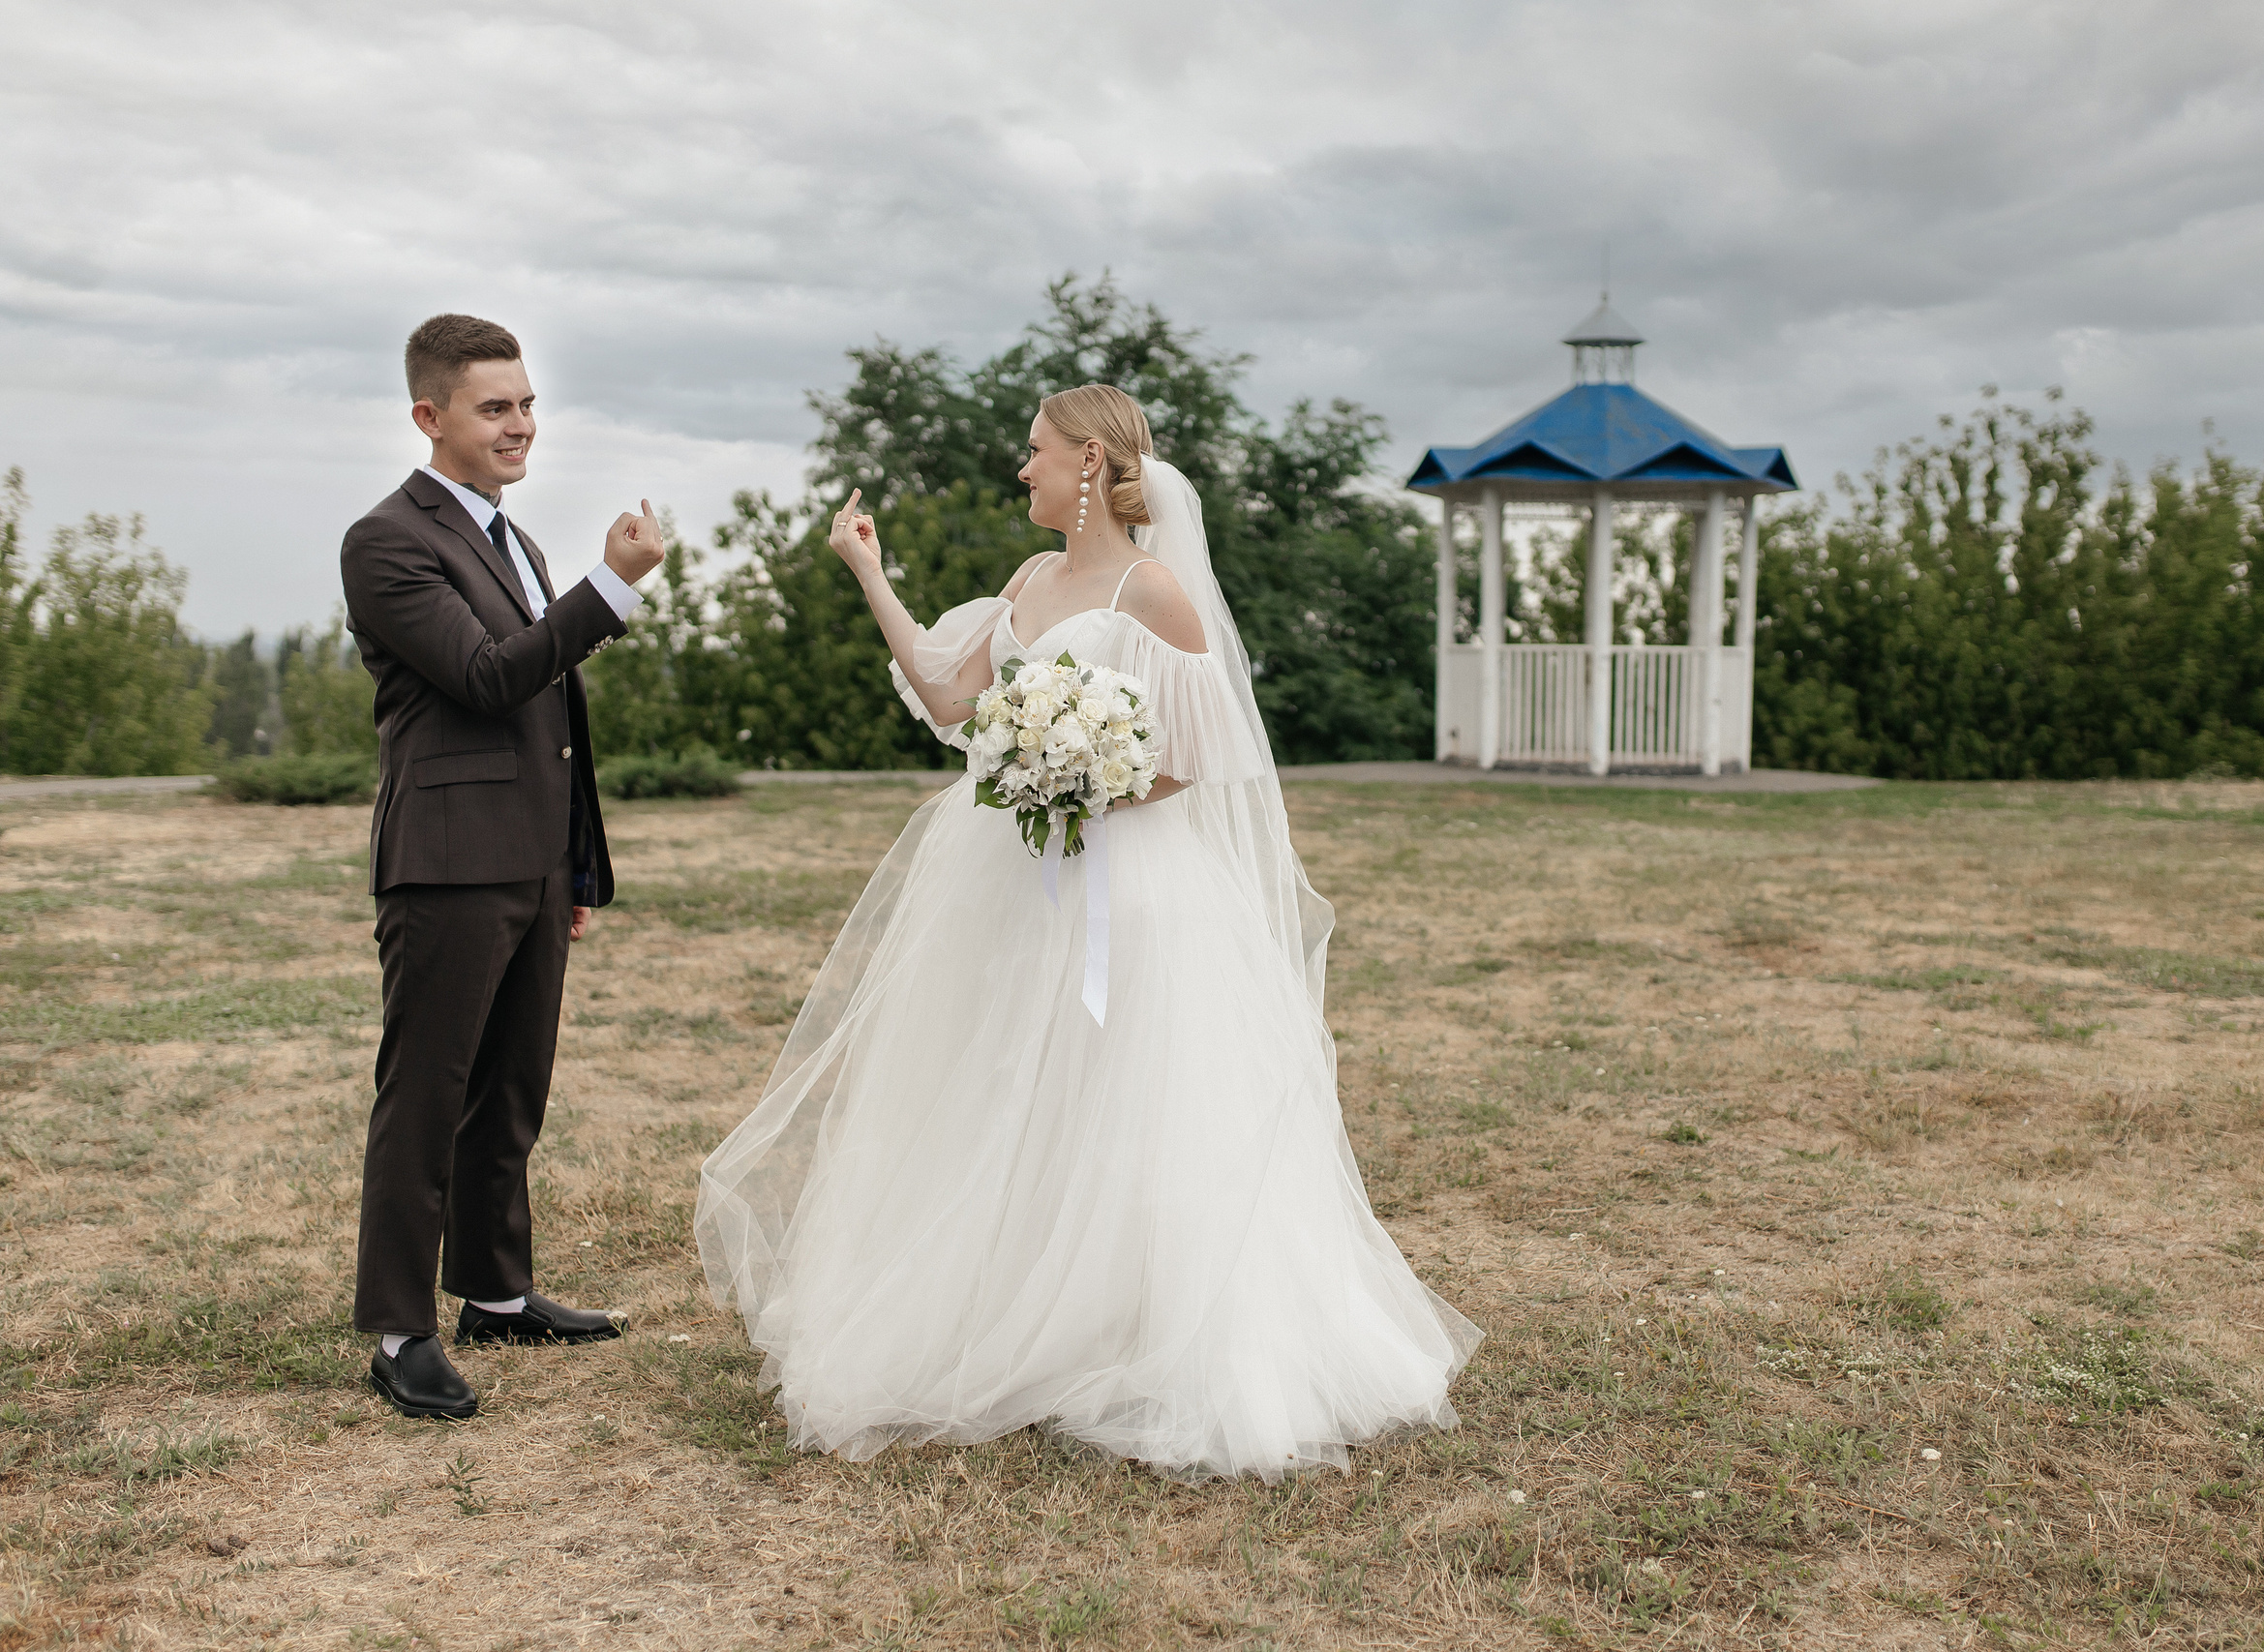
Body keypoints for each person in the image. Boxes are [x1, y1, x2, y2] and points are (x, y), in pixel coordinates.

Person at [695, 383, 1479, 1481]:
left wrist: (1085, 780)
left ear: (1089, 465)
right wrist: (869, 572)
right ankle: (1010, 1314)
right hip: (1010, 877)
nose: (1022, 468)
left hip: (1129, 881)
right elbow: (950, 696)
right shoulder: (1028, 579)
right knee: (1005, 1081)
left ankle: (1129, 1328)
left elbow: (1197, 756)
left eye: (1036, 450)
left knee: (1128, 1097)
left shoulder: (1153, 592)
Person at [341, 314, 666, 1419]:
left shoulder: (515, 540)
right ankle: (399, 1332)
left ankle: (494, 1290)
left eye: (526, 403)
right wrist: (610, 587)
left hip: (530, 860)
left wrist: (571, 865)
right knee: (425, 1094)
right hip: (444, 864)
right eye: (495, 407)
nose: (520, 423)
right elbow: (487, 678)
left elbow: (550, 721)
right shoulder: (386, 541)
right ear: (429, 416)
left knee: (512, 1089)